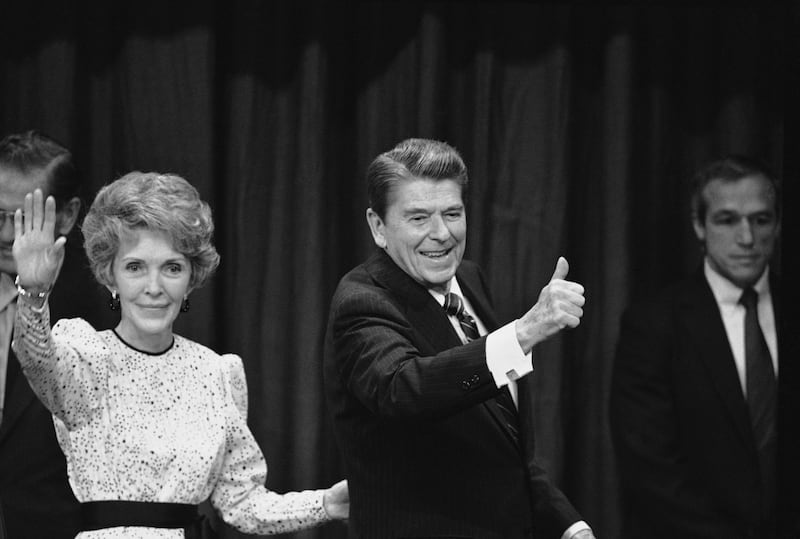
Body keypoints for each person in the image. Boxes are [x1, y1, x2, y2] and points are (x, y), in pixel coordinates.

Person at [11, 172, 348, 537]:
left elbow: (242, 503)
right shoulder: (85, 356)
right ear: (110, 276)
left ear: (191, 279)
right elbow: (34, 357)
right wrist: (33, 291)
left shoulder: (216, 372)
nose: (154, 287)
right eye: (135, 267)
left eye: (172, 268)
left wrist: (325, 503)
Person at [324, 138, 594, 539]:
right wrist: (523, 333)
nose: (441, 233)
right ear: (378, 227)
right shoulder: (362, 300)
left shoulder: (469, 279)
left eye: (452, 213)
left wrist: (568, 524)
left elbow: (497, 441)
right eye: (418, 218)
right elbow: (404, 390)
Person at [609, 156, 795, 538]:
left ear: (777, 226)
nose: (747, 238)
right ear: (699, 225)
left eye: (761, 220)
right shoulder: (654, 323)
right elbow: (649, 466)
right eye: (727, 220)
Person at [0, 130, 114, 539]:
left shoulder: (114, 309)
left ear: (67, 215)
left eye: (24, 219)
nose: (8, 235)